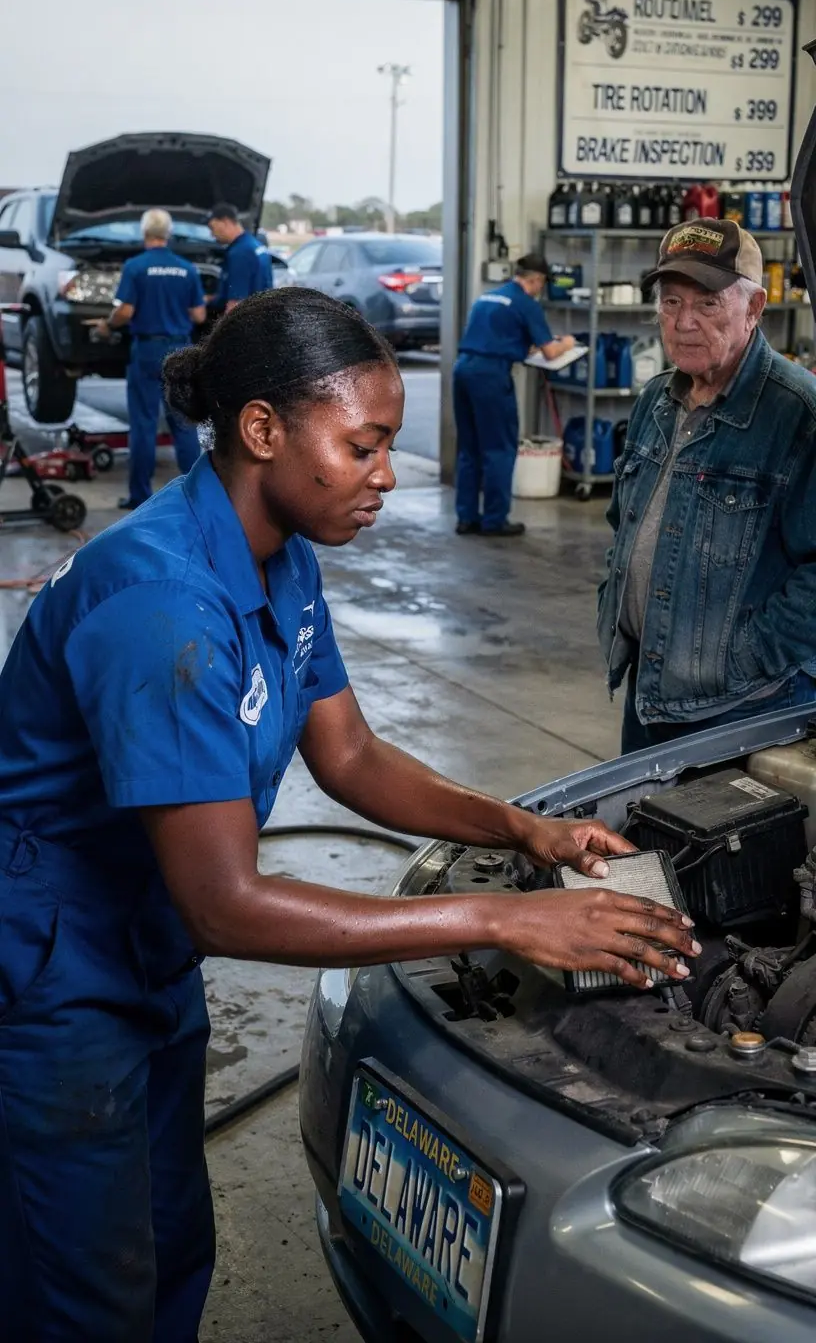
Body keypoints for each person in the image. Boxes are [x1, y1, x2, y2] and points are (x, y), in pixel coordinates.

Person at [0, 288, 697, 1341]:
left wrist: (523, 830)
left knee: (171, 1232)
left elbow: (351, 754)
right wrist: (504, 918)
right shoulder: (161, 604)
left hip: (140, 939)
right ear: (264, 429)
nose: (386, 473)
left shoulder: (283, 556)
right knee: (85, 1281)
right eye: (364, 445)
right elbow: (227, 909)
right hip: (53, 962)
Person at [598, 219, 816, 755]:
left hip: (747, 708)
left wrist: (739, 657)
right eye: (671, 303)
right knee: (651, 838)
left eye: (707, 304)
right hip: (648, 692)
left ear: (755, 308)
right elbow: (621, 519)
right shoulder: (656, 400)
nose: (684, 322)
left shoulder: (799, 416)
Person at [453, 254, 576, 538]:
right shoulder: (526, 303)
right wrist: (567, 342)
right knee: (499, 448)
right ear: (536, 280)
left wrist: (524, 348)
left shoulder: (488, 297)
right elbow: (550, 351)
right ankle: (495, 520)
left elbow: (498, 338)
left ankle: (466, 518)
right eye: (542, 283)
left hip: (464, 369)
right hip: (491, 376)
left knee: (469, 449)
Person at [96, 207, 206, 510]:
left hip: (146, 351)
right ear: (168, 234)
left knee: (143, 425)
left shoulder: (135, 267)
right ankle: (195, 495)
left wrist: (107, 324)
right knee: (183, 423)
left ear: (145, 233)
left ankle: (139, 496)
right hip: (180, 351)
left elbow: (126, 311)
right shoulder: (186, 268)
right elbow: (198, 314)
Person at [207, 201, 273, 312]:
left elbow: (235, 304)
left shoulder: (240, 253)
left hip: (247, 320)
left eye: (212, 228)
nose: (212, 234)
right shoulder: (255, 245)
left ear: (225, 222)